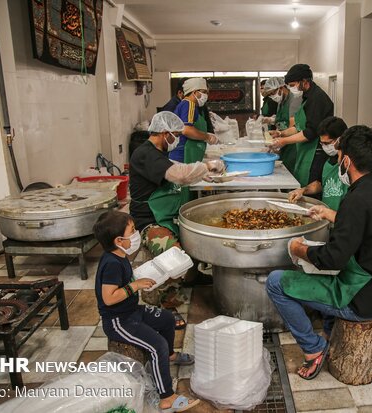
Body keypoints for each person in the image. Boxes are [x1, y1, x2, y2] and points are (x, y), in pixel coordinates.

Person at [266, 125, 372, 380]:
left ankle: (313, 349)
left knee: (276, 282)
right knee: (321, 268)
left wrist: (299, 249)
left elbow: (332, 259)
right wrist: (331, 215)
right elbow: (366, 229)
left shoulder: (356, 199)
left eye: (339, 155)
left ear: (347, 160)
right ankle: (329, 334)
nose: (337, 161)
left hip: (360, 298)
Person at [93, 210, 201, 412]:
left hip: (132, 311)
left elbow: (126, 282)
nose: (135, 235)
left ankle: (168, 356)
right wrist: (135, 286)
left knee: (167, 319)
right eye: (132, 231)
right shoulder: (111, 264)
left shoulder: (120, 255)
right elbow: (108, 298)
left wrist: (145, 278)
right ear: (119, 240)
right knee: (156, 345)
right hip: (119, 321)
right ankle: (167, 397)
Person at [129, 111, 224, 327]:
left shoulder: (158, 152)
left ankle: (192, 277)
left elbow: (174, 168)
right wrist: (206, 166)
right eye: (176, 134)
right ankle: (165, 305)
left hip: (169, 215)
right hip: (150, 220)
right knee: (173, 254)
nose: (178, 138)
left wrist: (201, 174)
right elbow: (179, 174)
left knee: (198, 235)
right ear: (164, 133)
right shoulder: (145, 154)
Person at [269, 64, 334, 187]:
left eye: (293, 85)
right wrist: (280, 133)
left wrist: (283, 141)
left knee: (309, 186)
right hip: (305, 150)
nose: (293, 89)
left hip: (315, 152)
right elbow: (299, 127)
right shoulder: (307, 97)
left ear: (304, 81)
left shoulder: (317, 98)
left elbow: (310, 132)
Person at [288, 116, 348, 209]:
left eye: (327, 143)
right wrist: (303, 190)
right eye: (322, 143)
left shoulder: (351, 164)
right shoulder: (326, 159)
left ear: (340, 139)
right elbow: (320, 184)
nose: (325, 147)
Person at [169, 78, 218, 164]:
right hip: (183, 155)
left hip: (185, 155)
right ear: (195, 92)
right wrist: (207, 137)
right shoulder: (189, 104)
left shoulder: (188, 105)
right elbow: (187, 130)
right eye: (204, 92)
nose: (206, 95)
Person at [261, 77, 302, 173]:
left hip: (293, 144)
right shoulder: (281, 101)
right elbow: (282, 118)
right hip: (284, 142)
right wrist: (272, 122)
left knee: (291, 171)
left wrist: (280, 136)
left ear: (281, 88)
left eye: (272, 93)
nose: (272, 96)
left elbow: (293, 125)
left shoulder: (295, 100)